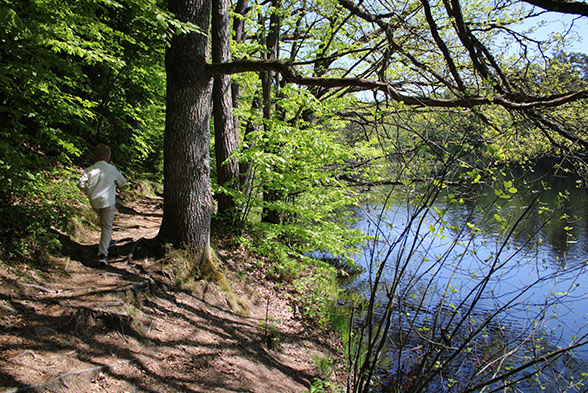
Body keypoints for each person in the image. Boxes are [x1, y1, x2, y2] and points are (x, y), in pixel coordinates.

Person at [78, 144, 127, 266]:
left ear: (95, 157)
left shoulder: (90, 169)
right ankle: (103, 255)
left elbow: (80, 184)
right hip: (108, 202)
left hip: (94, 201)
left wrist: (88, 191)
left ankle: (107, 241)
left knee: (104, 224)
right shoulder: (111, 169)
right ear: (107, 157)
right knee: (107, 226)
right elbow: (123, 182)